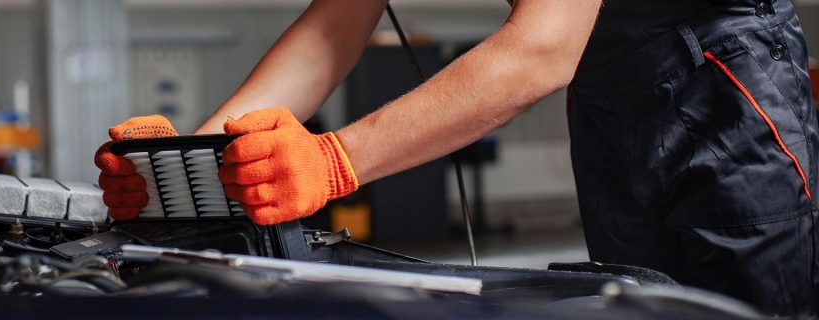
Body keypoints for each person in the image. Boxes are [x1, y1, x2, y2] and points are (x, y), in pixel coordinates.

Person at [95, 0, 817, 316]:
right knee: (639, 307)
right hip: (607, 92)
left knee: (737, 312)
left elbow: (542, 46)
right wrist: (190, 162)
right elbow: (335, 24)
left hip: (723, 83)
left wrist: (333, 161)